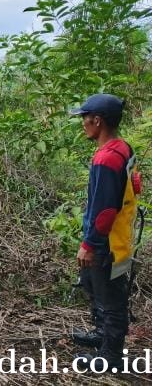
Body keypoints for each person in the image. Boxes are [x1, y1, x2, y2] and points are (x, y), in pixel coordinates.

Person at [69, 94, 141, 371]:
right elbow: (133, 186)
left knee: (111, 299)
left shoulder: (107, 158)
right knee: (93, 285)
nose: (83, 124)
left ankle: (110, 358)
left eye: (85, 119)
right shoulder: (122, 148)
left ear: (97, 121)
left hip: (108, 243)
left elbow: (105, 211)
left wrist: (90, 244)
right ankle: (101, 336)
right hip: (119, 237)